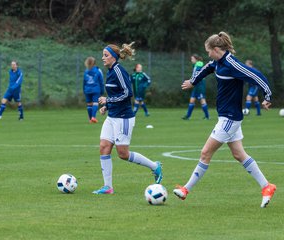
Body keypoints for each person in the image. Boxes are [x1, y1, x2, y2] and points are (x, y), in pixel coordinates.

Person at [174, 32, 276, 208]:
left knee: (205, 153)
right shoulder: (218, 62)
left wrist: (267, 95)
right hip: (227, 117)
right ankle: (267, 187)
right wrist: (193, 81)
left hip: (229, 118)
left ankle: (185, 190)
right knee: (239, 154)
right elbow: (207, 68)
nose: (208, 55)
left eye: (208, 52)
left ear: (215, 49)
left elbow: (256, 76)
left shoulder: (232, 64)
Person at [92, 42, 163, 194]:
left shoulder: (118, 71)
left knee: (123, 154)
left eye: (106, 55)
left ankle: (154, 166)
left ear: (114, 57)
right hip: (112, 117)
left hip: (123, 118)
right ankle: (108, 187)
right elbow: (115, 94)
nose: (102, 58)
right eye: (103, 55)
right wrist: (107, 106)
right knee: (104, 147)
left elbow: (127, 93)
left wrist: (108, 101)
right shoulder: (110, 71)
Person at [182, 54, 209, 120]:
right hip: (196, 85)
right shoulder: (195, 65)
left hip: (200, 85)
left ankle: (207, 116)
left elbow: (198, 74)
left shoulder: (199, 64)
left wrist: (191, 81)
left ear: (196, 59)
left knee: (202, 100)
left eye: (192, 59)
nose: (191, 60)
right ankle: (188, 116)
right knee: (192, 100)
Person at [83, 57, 104, 123]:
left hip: (87, 90)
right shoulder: (98, 70)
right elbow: (101, 81)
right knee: (95, 103)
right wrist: (102, 91)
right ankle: (93, 117)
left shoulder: (86, 71)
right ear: (95, 63)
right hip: (96, 89)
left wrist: (84, 90)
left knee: (89, 104)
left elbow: (84, 82)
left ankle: (90, 119)